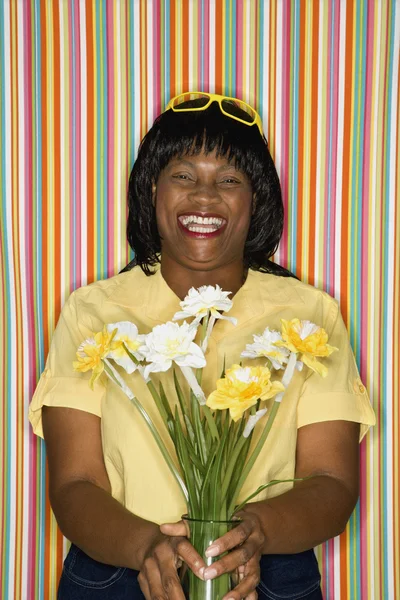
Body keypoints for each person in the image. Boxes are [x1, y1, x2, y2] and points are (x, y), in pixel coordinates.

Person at [29, 92, 375, 600]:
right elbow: (75, 483)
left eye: (229, 180)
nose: (205, 197)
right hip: (119, 566)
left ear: (255, 200)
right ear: (152, 190)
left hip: (267, 569)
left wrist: (254, 532)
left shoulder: (311, 316)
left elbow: (331, 479)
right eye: (183, 175)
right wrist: (147, 546)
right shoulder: (92, 313)